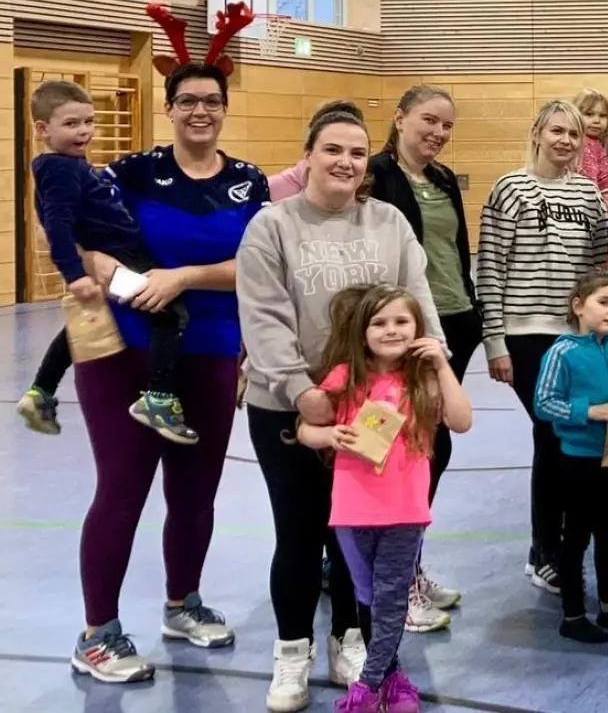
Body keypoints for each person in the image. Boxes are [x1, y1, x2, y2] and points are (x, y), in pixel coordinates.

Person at [67, 60, 269, 684]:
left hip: (211, 348)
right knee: (123, 488)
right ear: (170, 107)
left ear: (225, 107)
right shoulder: (130, 172)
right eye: (187, 101)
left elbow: (255, 265)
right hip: (125, 352)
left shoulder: (247, 182)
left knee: (194, 493)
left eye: (211, 101)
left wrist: (182, 278)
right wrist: (132, 285)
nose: (199, 111)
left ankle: (183, 603)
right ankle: (98, 634)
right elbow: (86, 243)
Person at [237, 104, 443, 712]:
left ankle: (347, 638)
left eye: (357, 152)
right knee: (298, 534)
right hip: (291, 407)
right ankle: (290, 653)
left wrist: (432, 366)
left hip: (376, 410)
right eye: (333, 150)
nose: (346, 162)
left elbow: (419, 301)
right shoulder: (271, 226)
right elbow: (265, 316)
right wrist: (304, 393)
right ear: (309, 156)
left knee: (356, 538)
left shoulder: (388, 224)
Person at [296, 284, 472, 713]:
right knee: (369, 599)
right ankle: (392, 682)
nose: (392, 330)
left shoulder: (422, 378)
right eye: (379, 322)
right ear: (361, 331)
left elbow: (461, 421)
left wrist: (442, 366)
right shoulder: (344, 376)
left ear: (418, 327)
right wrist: (330, 435)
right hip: (352, 511)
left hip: (405, 510)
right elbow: (304, 429)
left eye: (401, 321)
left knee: (391, 598)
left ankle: (366, 689)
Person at [478, 99, 608, 594]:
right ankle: (544, 550)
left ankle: (563, 541)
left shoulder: (587, 193)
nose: (565, 141)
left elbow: (598, 267)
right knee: (551, 433)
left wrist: (599, 328)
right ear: (537, 132)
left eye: (574, 134)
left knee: (562, 440)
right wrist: (495, 341)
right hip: (526, 331)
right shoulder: (510, 189)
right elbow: (489, 266)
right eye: (556, 130)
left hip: (573, 332)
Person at [366, 84, 479, 627]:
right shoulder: (375, 176)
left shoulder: (441, 181)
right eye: (428, 121)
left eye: (447, 126)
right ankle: (389, 581)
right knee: (400, 455)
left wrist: (472, 312)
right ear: (400, 118)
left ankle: (407, 564)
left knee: (433, 452)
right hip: (405, 333)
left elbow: (456, 251)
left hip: (452, 325)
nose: (437, 133)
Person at [26, 80, 194, 442]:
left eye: (89, 121)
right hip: (120, 260)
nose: (84, 131)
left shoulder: (67, 165)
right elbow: (55, 224)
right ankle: (158, 398)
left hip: (122, 254)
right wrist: (74, 274)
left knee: (88, 321)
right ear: (42, 129)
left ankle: (41, 390)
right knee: (170, 314)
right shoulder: (60, 170)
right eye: (71, 124)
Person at [534, 272, 608, 643]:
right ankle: (573, 613)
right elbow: (544, 403)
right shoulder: (561, 352)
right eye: (604, 302)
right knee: (576, 535)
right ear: (579, 306)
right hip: (577, 459)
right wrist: (587, 411)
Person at [575, 87, 608, 206]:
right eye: (589, 114)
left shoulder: (597, 144)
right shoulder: (581, 144)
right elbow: (588, 181)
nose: (597, 120)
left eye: (602, 115)